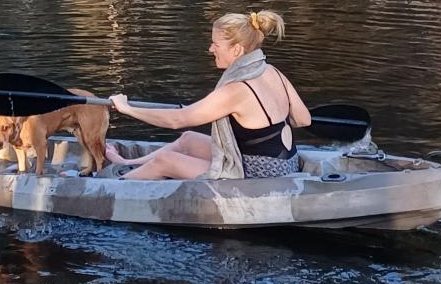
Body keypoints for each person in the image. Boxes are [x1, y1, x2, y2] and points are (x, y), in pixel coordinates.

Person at [107, 10, 311, 180]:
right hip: (287, 162)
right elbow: (303, 119)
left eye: (216, 44)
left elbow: (178, 120)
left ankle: (114, 185)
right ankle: (127, 164)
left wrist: (127, 109)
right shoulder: (271, 71)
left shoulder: (236, 90)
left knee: (166, 161)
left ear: (237, 50)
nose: (210, 49)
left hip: (256, 173)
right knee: (188, 139)